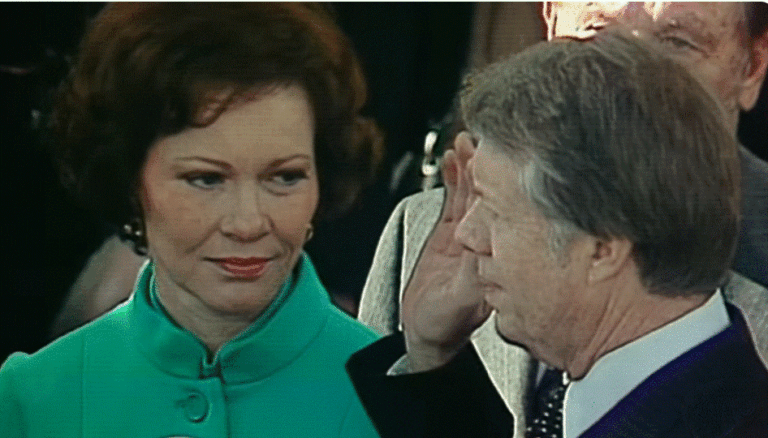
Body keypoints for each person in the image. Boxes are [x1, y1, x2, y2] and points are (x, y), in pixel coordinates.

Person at [358, 4, 768, 436]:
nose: (628, 80)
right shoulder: (425, 239)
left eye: (676, 43)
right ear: (550, 21)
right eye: (596, 40)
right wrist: (432, 360)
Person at [0, 3, 383, 437]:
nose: (249, 223)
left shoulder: (395, 400)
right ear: (130, 184)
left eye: (285, 177)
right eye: (206, 179)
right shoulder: (33, 399)